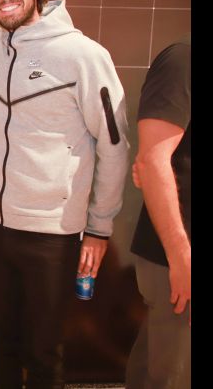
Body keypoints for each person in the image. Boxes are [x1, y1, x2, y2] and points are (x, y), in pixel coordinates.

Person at [0, 0, 129, 388]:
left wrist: (98, 227)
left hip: (51, 234)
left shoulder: (84, 56)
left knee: (43, 352)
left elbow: (113, 145)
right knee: (0, 345)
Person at [125, 37, 190, 389]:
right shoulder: (183, 61)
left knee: (157, 368)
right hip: (178, 257)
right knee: (172, 376)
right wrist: (182, 256)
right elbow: (152, 161)